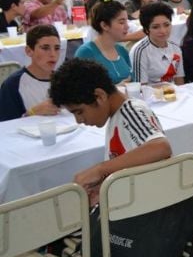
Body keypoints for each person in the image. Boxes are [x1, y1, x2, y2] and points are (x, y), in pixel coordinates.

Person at [50, 58, 171, 206]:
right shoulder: (116, 116)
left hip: (156, 209)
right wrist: (102, 185)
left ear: (100, 96)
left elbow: (161, 147)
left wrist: (100, 169)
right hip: (142, 201)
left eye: (79, 112)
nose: (79, 120)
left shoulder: (130, 111)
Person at [0, 25, 61, 121]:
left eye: (57, 48)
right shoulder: (13, 84)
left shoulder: (65, 80)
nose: (53, 54)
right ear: (29, 51)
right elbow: (5, 127)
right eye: (45, 48)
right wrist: (32, 113)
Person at [75, 0, 132, 85]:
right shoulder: (86, 53)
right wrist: (116, 89)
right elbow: (79, 90)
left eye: (126, 21)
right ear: (104, 25)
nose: (127, 26)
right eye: (121, 22)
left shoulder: (122, 51)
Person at [129, 2, 185, 84]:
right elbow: (141, 87)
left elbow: (179, 80)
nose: (163, 31)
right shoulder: (140, 51)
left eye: (166, 25)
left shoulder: (176, 48)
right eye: (155, 27)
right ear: (147, 29)